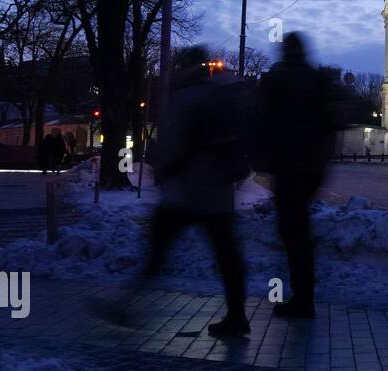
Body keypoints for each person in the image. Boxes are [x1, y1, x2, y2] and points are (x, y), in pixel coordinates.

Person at [136, 48, 251, 337]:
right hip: (219, 190)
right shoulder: (222, 95)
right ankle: (237, 315)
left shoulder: (187, 97)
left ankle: (129, 303)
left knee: (159, 246)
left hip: (188, 189)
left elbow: (172, 142)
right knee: (227, 254)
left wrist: (161, 170)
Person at [257, 32, 338, 319]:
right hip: (311, 167)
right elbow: (331, 121)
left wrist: (261, 155)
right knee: (297, 230)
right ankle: (304, 296)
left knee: (293, 231)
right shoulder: (315, 78)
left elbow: (265, 118)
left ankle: (302, 300)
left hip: (290, 165)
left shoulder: (283, 79)